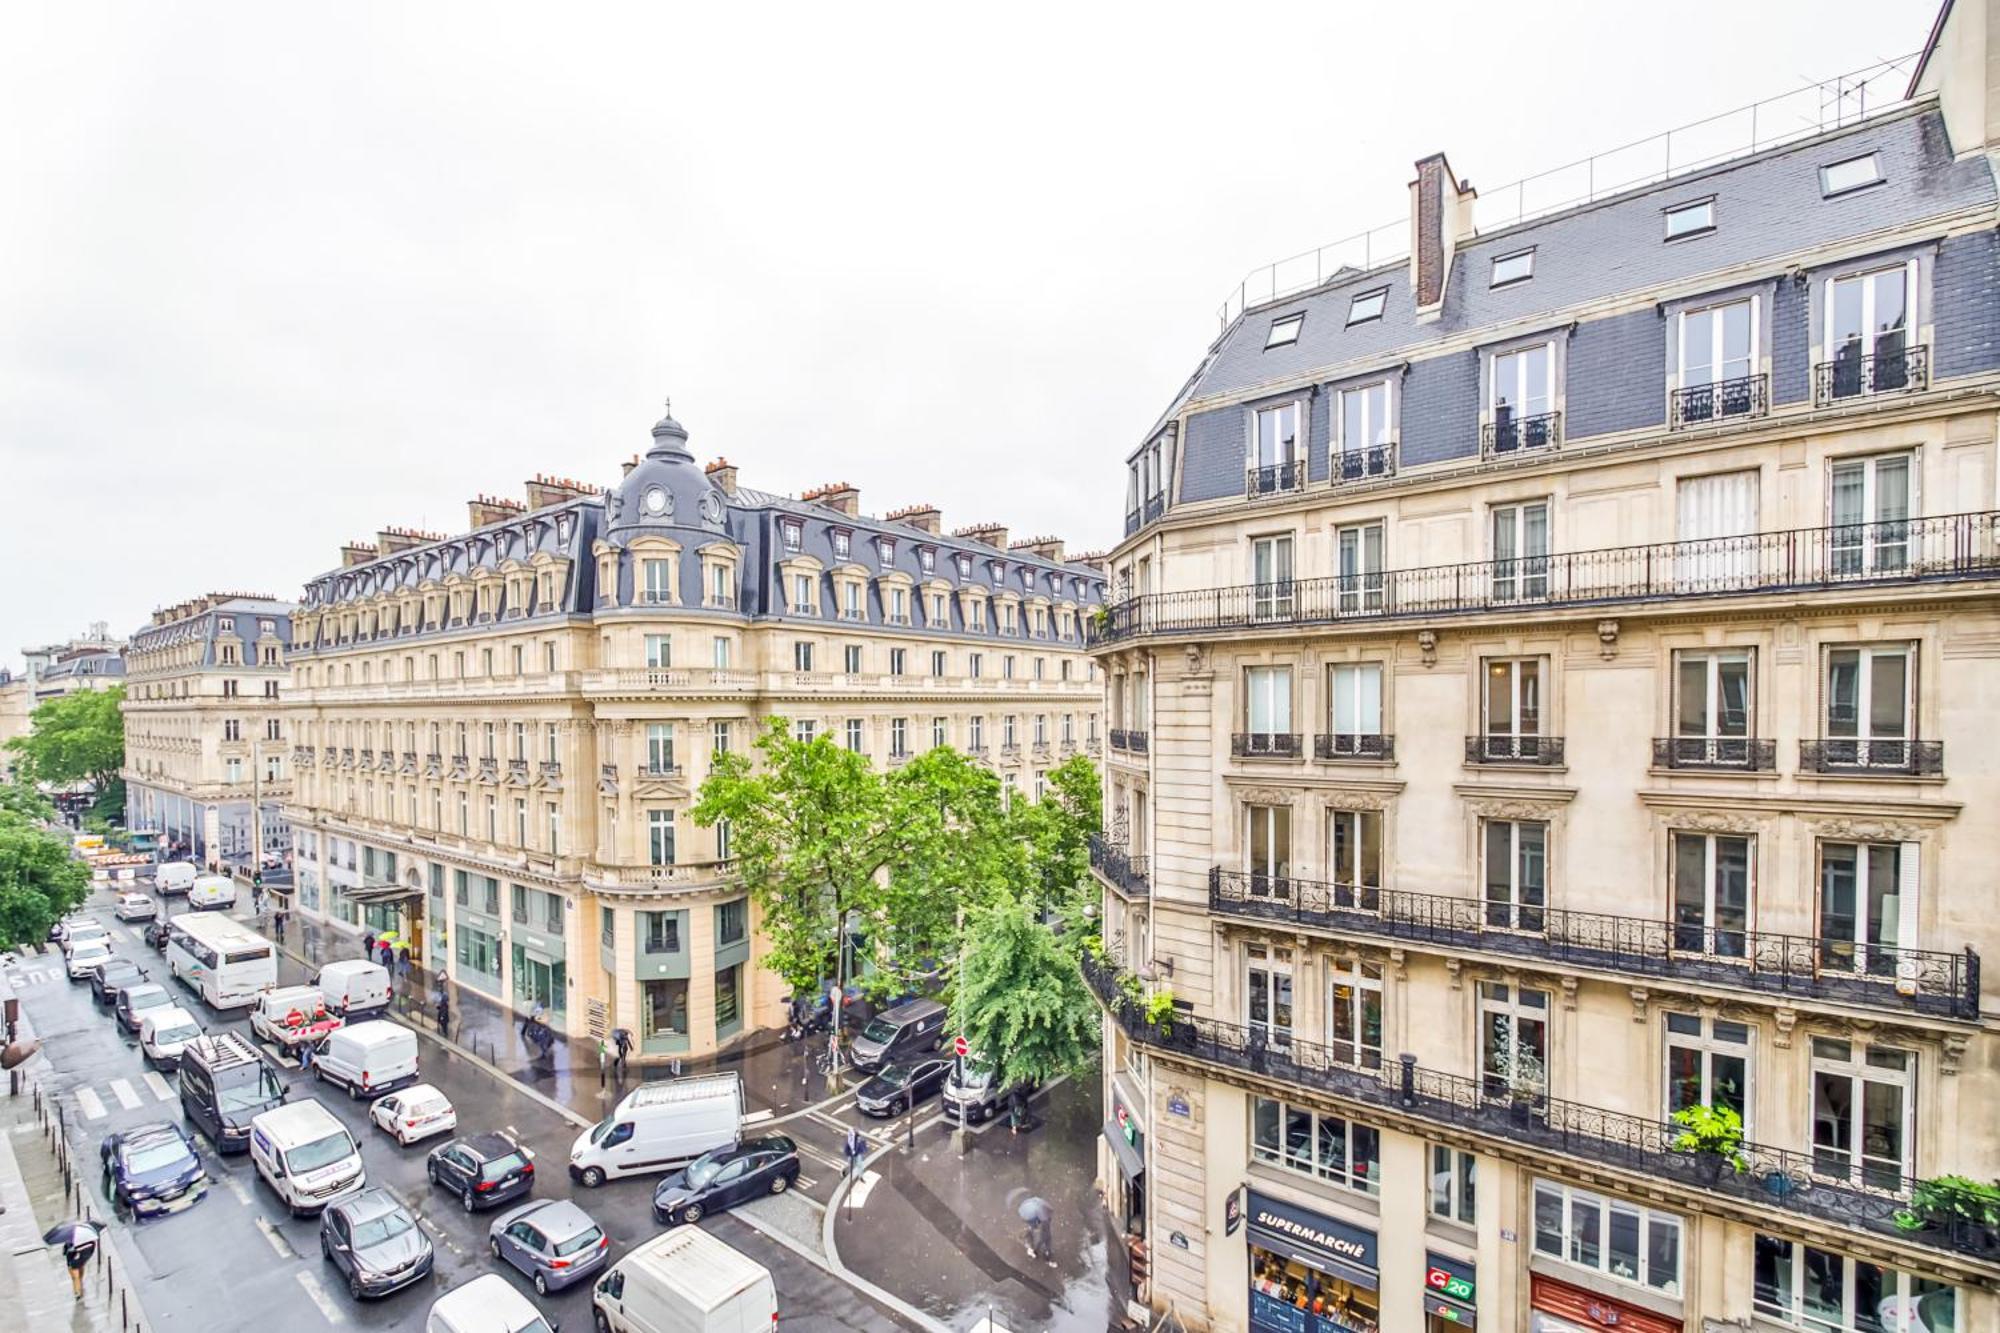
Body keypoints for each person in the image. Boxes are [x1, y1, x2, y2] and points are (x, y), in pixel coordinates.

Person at [63, 1232, 96, 1300]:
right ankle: (78, 1291)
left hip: (75, 1263)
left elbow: (64, 1253)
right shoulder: (75, 1243)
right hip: (76, 1263)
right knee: (77, 1278)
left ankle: (78, 1291)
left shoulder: (71, 1243)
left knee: (77, 1278)